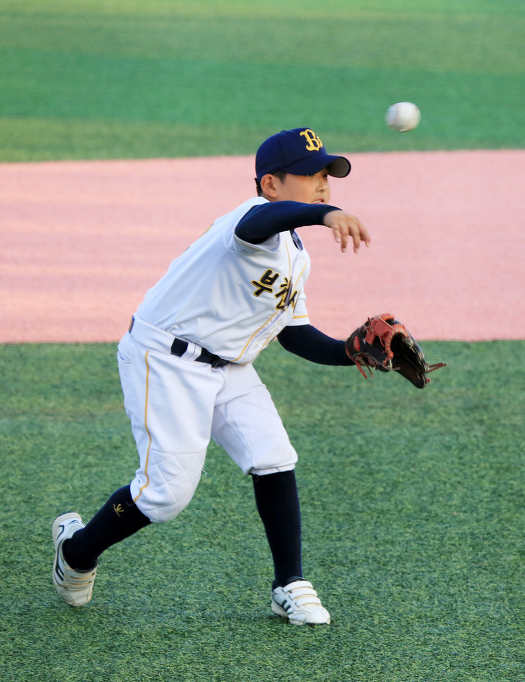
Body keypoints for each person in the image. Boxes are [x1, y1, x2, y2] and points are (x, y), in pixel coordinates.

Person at [51, 127, 372, 625]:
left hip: (229, 367)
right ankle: (76, 552)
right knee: (165, 495)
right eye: (310, 175)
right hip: (165, 360)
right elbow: (273, 217)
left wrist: (355, 352)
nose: (323, 184)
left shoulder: (296, 254)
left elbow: (294, 335)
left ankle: (290, 583)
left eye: (326, 175)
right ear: (270, 182)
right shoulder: (249, 221)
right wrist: (324, 215)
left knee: (274, 457)